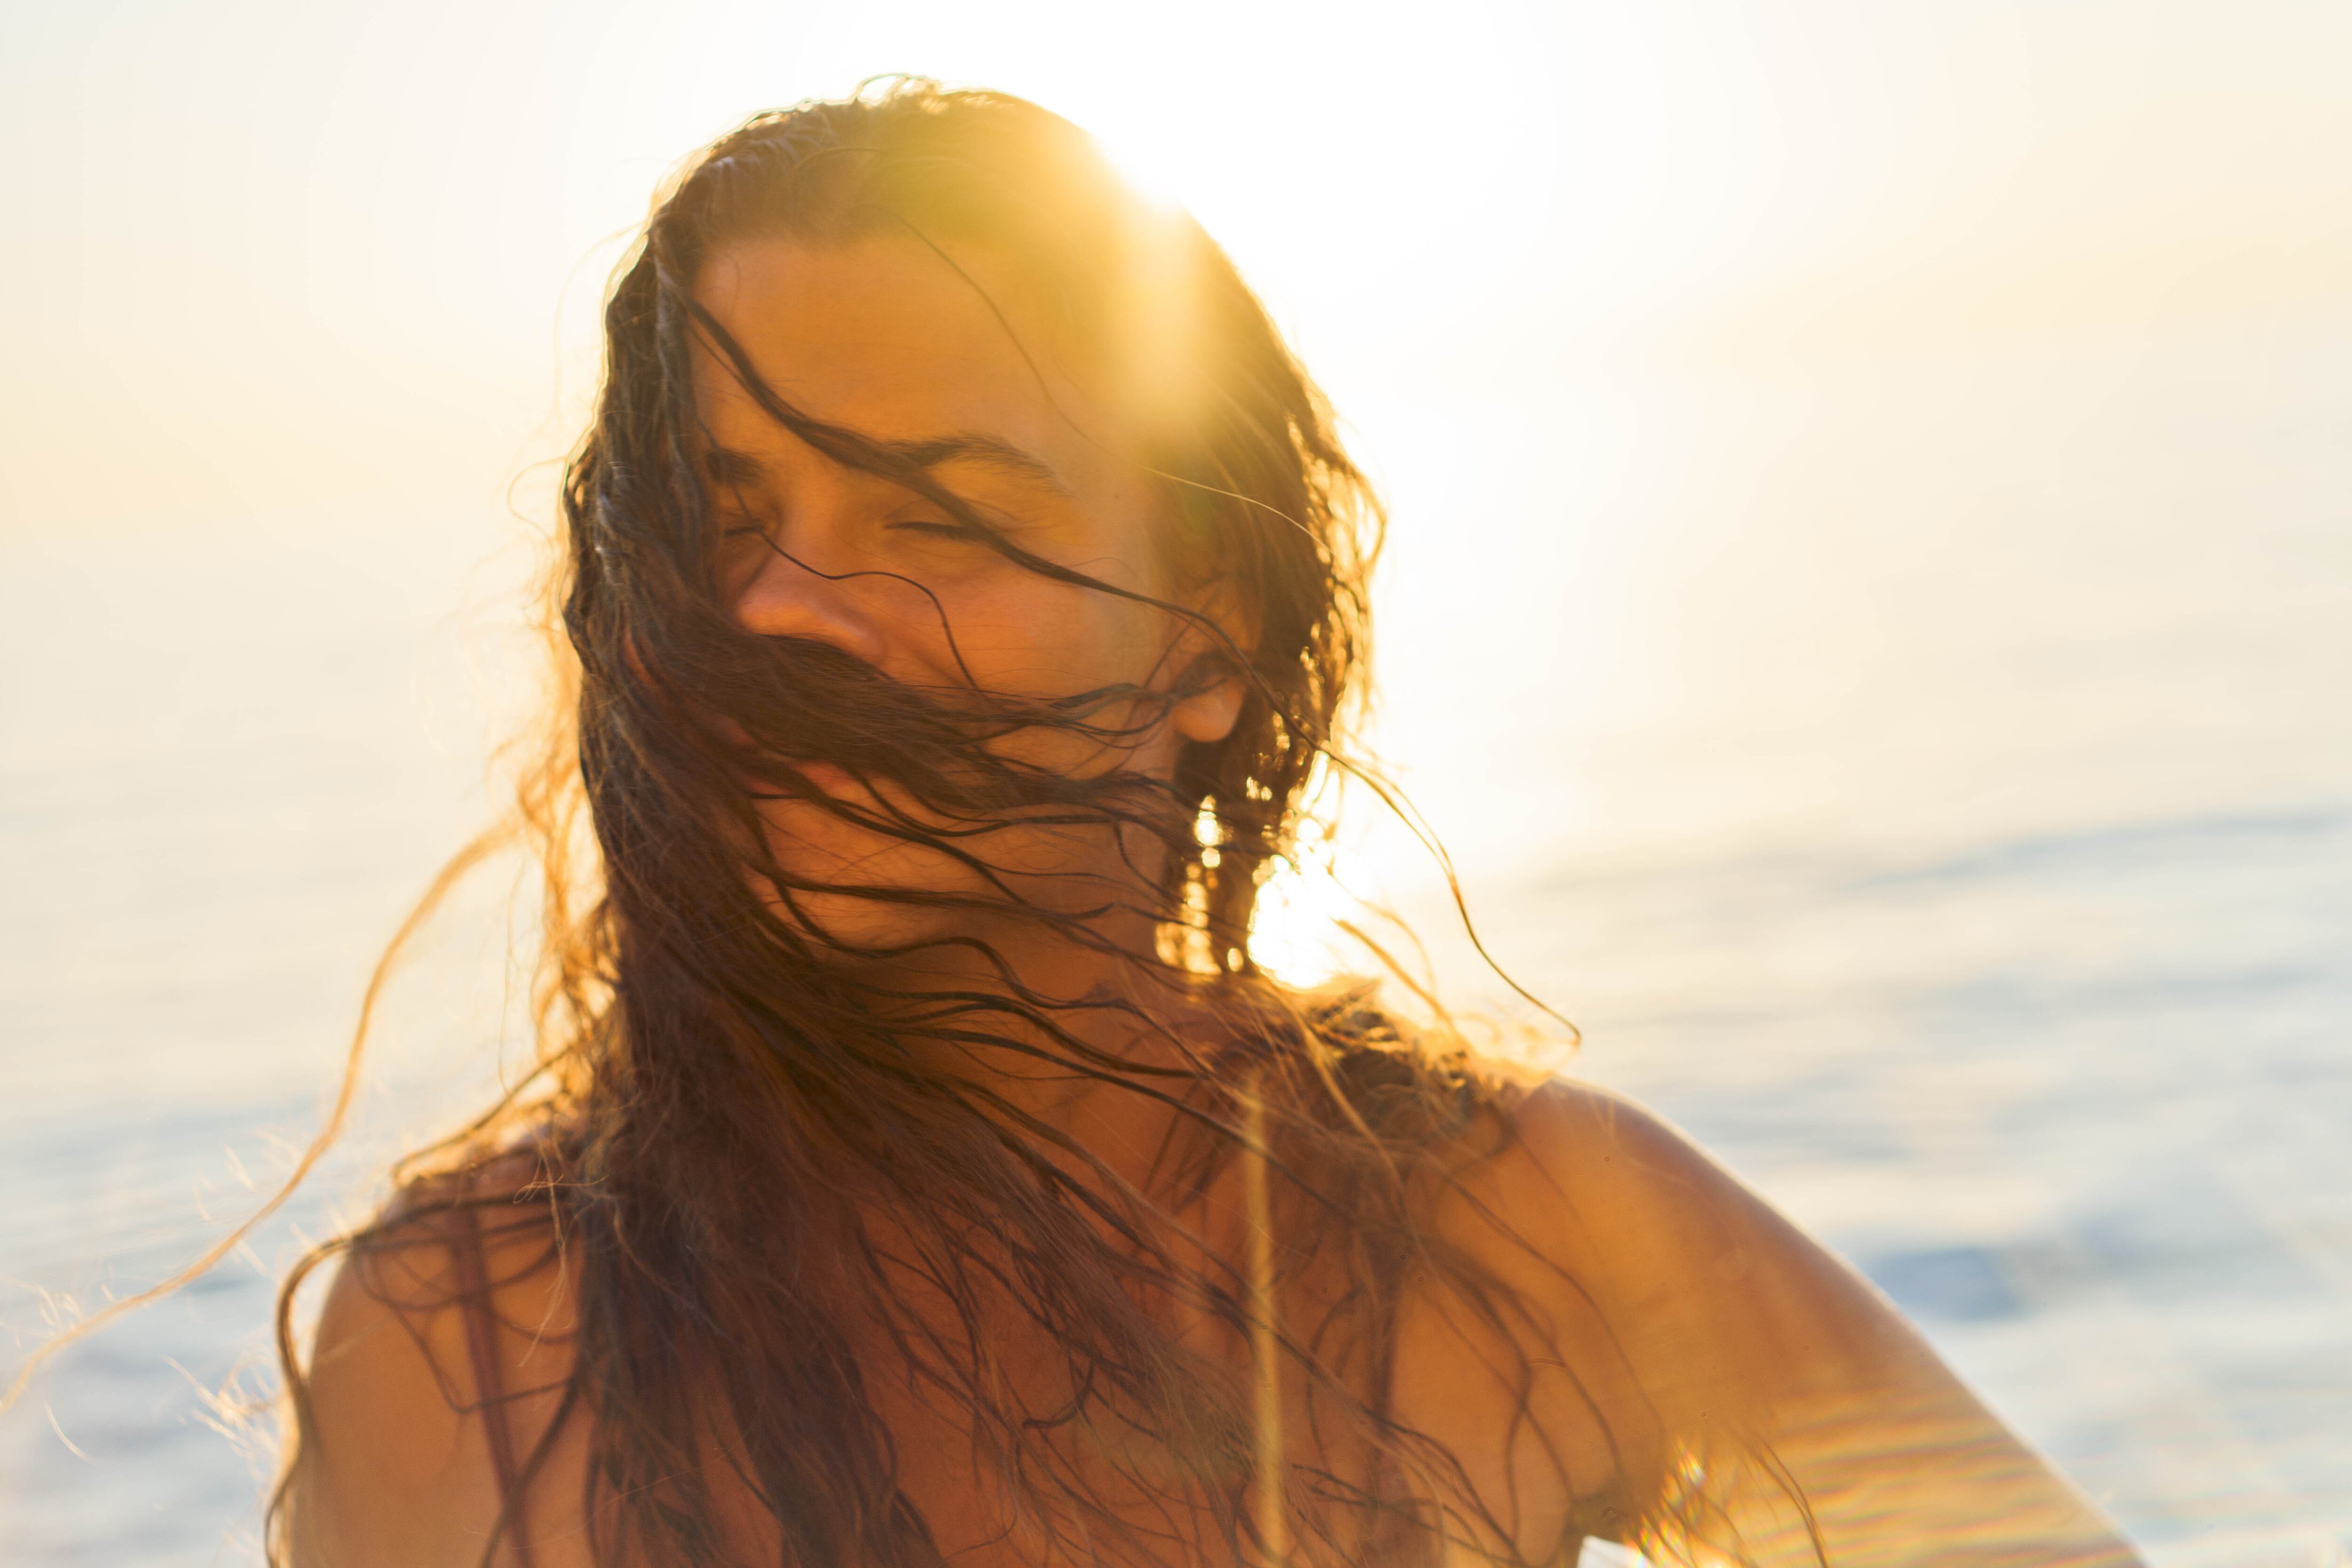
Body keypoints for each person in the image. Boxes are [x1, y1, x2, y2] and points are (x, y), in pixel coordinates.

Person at [275, 81, 2140, 1568]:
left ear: (1207, 635)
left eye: (938, 512)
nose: (777, 608)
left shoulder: (1524, 1235)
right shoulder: (469, 1343)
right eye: (720, 514)